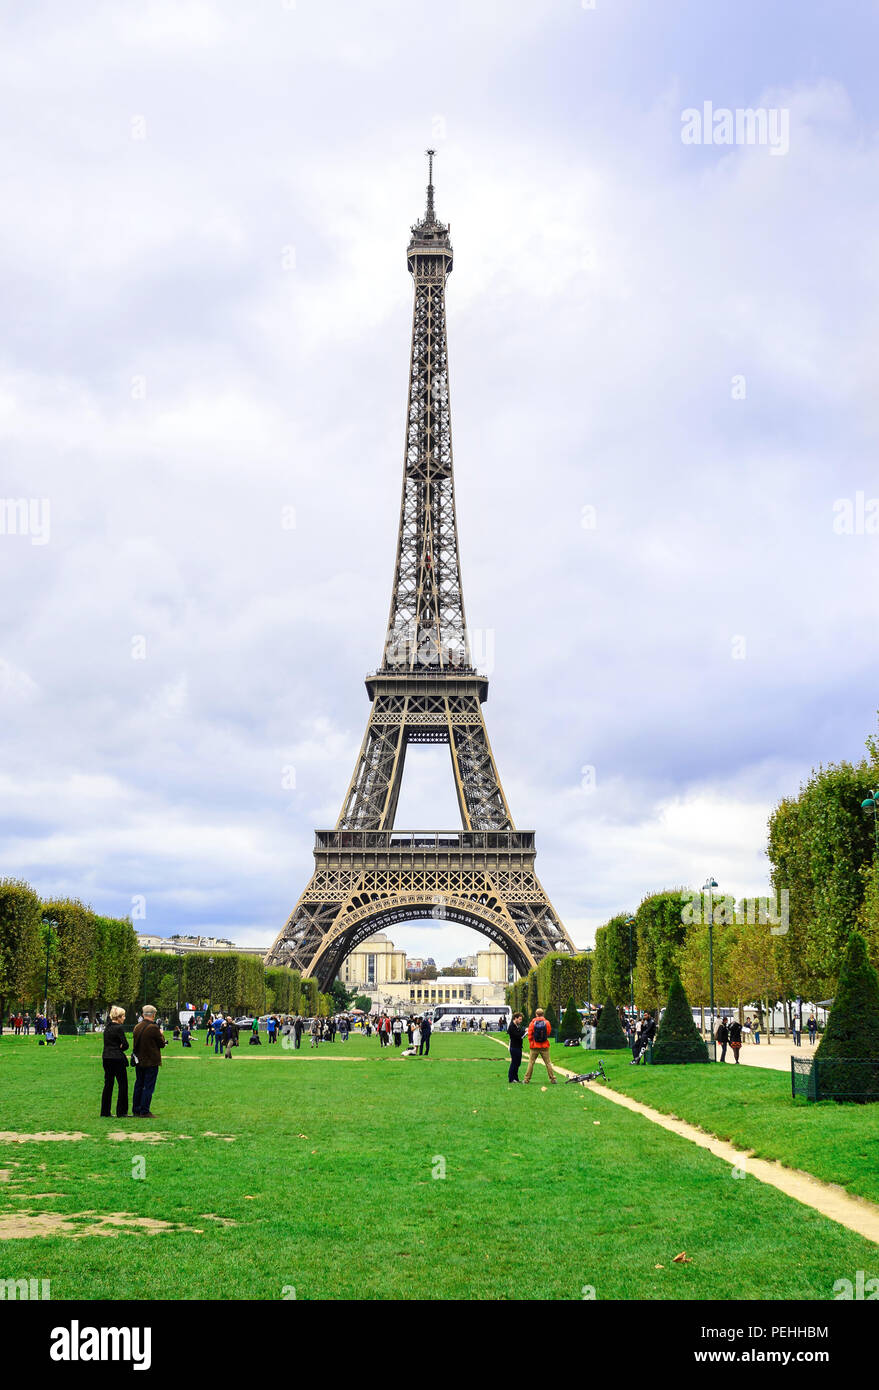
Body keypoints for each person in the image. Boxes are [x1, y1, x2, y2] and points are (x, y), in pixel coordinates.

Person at [132, 1004, 166, 1118]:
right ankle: (145, 1110)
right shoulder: (153, 1028)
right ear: (153, 1015)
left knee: (138, 1085)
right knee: (148, 1086)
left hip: (139, 1060)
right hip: (151, 1061)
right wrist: (161, 1034)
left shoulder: (137, 1027)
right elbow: (162, 1044)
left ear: (143, 1014)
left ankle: (136, 1109)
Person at [100, 1005, 129, 1118]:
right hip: (117, 1058)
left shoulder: (107, 1028)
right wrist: (120, 1047)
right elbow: (125, 1045)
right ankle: (121, 1111)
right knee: (122, 1084)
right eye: (123, 1016)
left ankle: (105, 1111)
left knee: (108, 1084)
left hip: (106, 1057)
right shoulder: (119, 1028)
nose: (124, 1018)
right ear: (119, 1017)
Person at [524, 1008, 557, 1084]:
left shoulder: (532, 1023)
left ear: (536, 1014)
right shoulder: (547, 1023)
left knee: (531, 1063)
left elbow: (530, 1034)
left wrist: (532, 1042)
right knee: (548, 1063)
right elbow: (548, 1032)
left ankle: (526, 1079)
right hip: (544, 1046)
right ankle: (552, 1079)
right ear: (543, 1014)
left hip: (534, 1046)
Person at [507, 1011, 526, 1083]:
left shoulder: (516, 1026)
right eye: (520, 1019)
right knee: (514, 1063)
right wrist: (524, 1031)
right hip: (514, 1047)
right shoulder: (512, 1026)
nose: (521, 1021)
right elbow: (517, 1035)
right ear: (515, 1018)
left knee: (518, 1063)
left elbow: (519, 1034)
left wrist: (523, 1033)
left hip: (518, 1046)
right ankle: (511, 1078)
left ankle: (516, 1078)